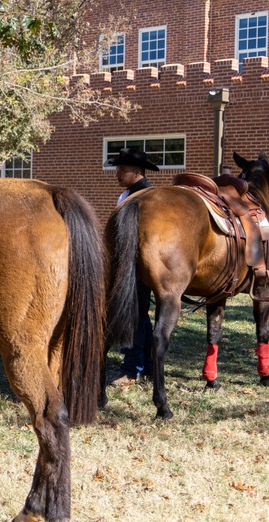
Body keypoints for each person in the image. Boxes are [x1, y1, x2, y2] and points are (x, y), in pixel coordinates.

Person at [108, 147, 157, 386]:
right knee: (139, 316)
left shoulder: (146, 197)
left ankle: (132, 368)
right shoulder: (128, 193)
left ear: (137, 171)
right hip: (126, 264)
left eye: (121, 170)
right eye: (116, 170)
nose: (117, 175)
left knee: (134, 315)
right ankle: (145, 365)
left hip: (137, 266)